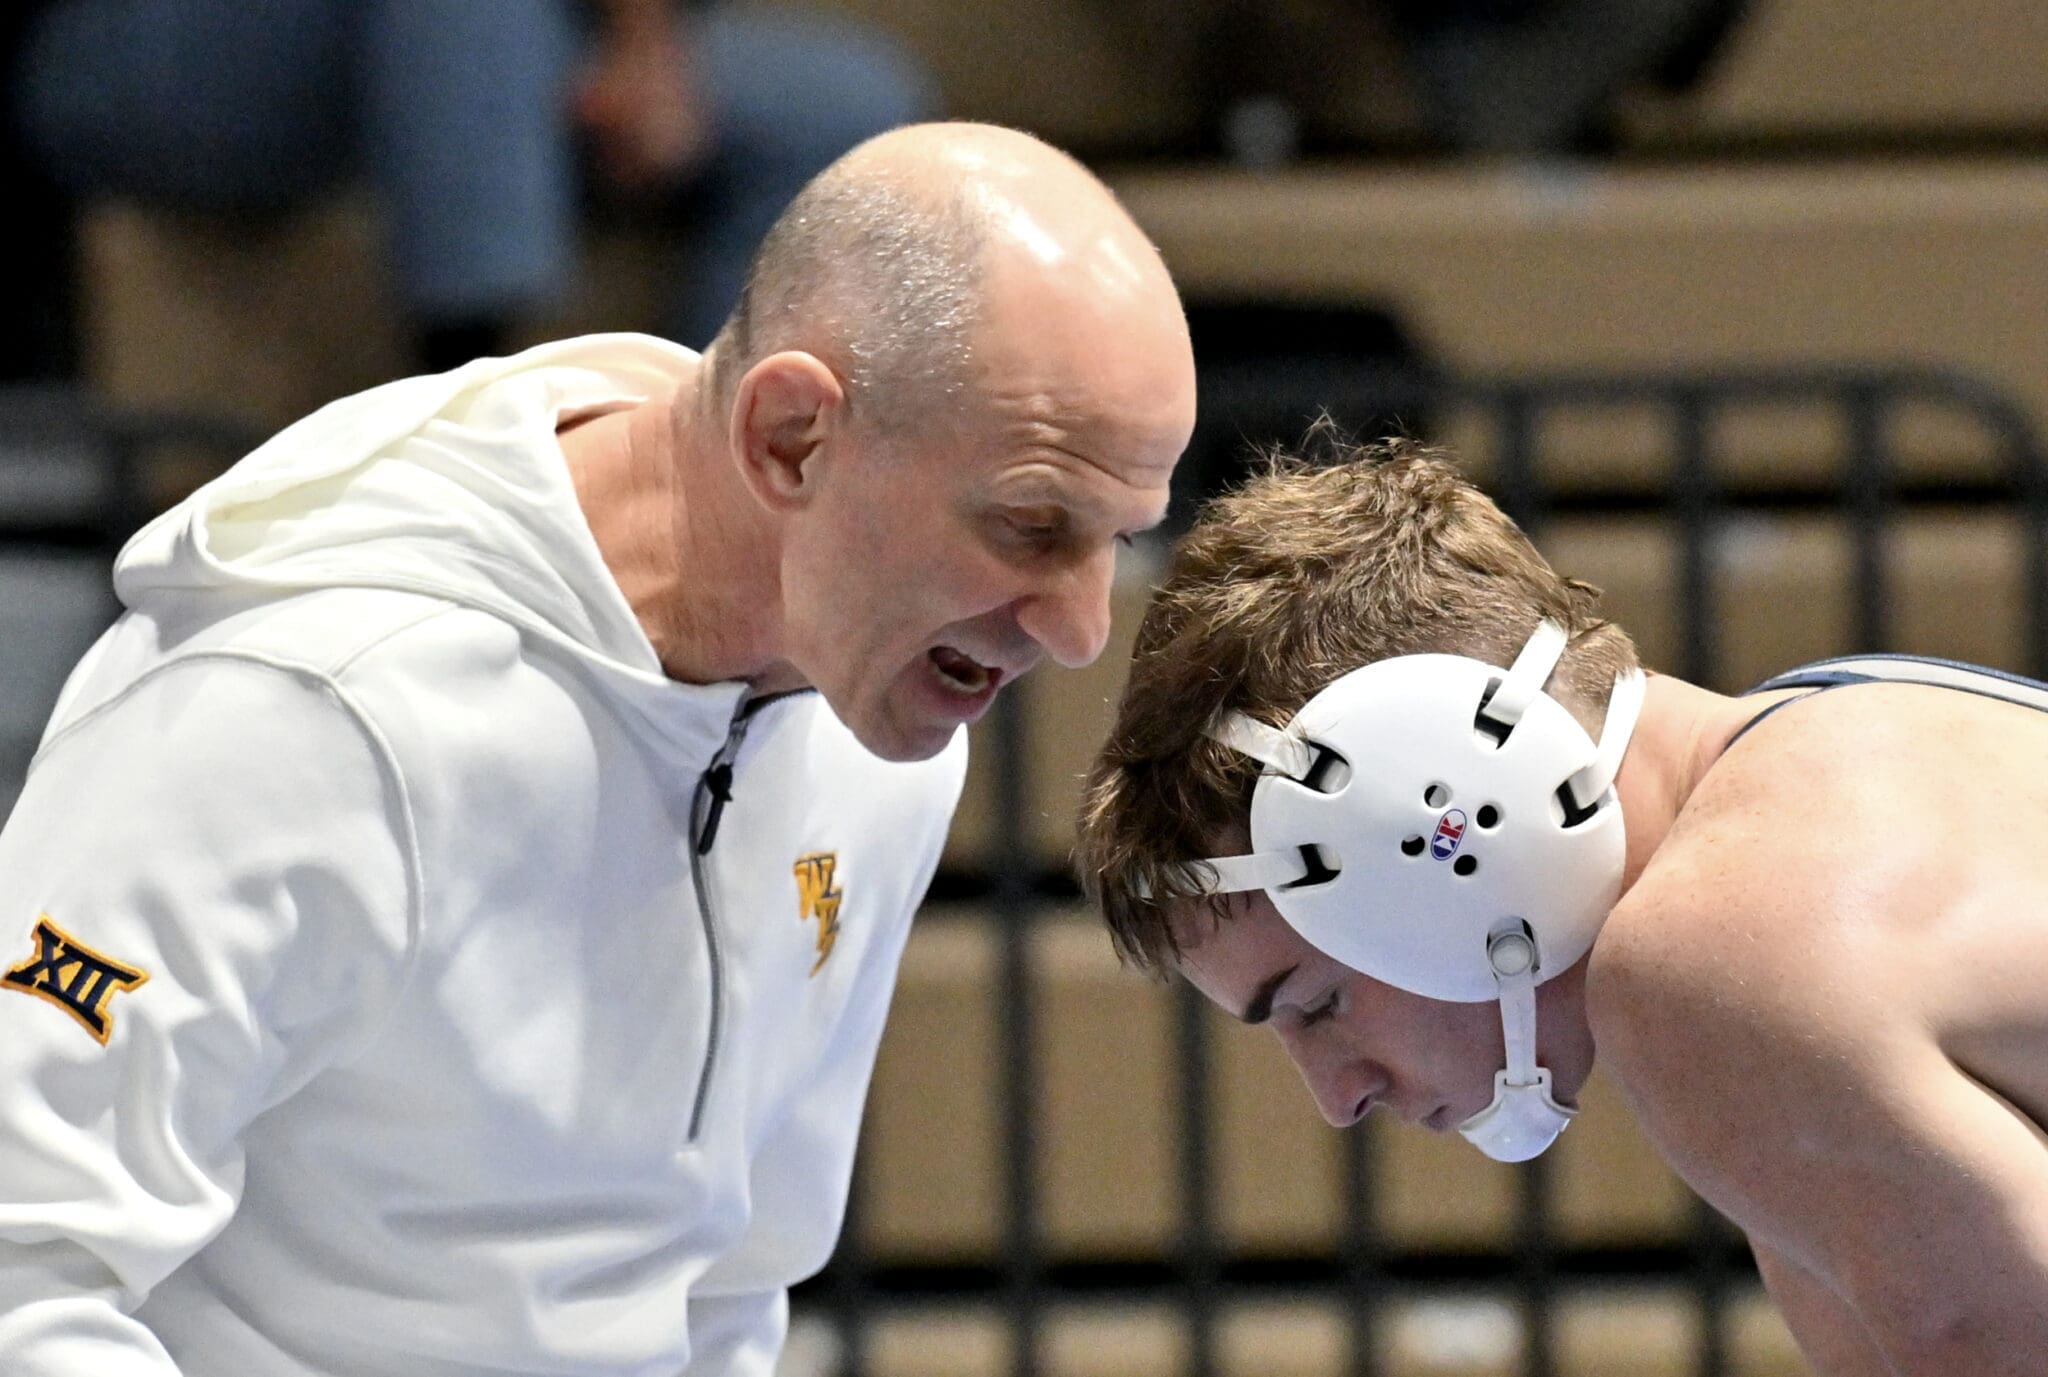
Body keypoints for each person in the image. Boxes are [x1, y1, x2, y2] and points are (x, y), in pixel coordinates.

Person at [0, 121, 1197, 1374]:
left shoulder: (875, 725)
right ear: (790, 438)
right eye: (1029, 525)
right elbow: (24, 1273)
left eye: (1116, 538)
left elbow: (734, 1287)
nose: (1078, 632)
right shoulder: (305, 708)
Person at [1078, 436, 2048, 1375]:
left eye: (1317, 1002)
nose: (1340, 1098)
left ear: (1456, 823)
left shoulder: (1714, 954)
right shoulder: (1879, 719)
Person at [11, 0, 938, 370]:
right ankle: (475, 446)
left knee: (847, 110)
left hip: (530, 38)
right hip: (154, 46)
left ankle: (721, 462)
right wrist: (638, 40)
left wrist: (642, 46)